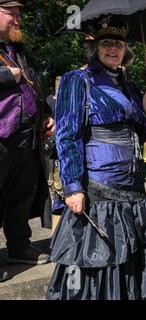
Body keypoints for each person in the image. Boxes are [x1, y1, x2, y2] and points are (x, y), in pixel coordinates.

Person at [46, 16, 146, 300]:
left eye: (119, 44)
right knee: (97, 258)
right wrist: (73, 186)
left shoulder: (128, 86)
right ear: (95, 47)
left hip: (132, 186)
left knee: (127, 258)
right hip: (99, 186)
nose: (113, 49)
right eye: (107, 43)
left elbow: (140, 135)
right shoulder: (78, 80)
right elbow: (67, 135)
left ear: (126, 50)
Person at [0, 0, 54, 268]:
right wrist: (7, 76)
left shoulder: (19, 50)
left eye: (19, 13)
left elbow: (35, 85)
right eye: (12, 13)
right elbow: (13, 79)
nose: (18, 18)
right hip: (1, 134)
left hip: (26, 136)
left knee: (20, 195)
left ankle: (19, 246)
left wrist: (46, 116)